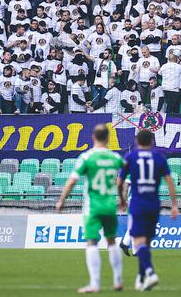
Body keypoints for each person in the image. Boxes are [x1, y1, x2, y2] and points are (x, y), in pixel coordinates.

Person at [55, 124, 125, 293]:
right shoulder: (115, 158)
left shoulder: (86, 158)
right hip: (109, 205)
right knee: (112, 241)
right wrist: (122, 200)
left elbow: (72, 180)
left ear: (93, 137)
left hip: (92, 207)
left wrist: (61, 200)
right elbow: (120, 181)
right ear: (108, 138)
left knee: (92, 242)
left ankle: (95, 283)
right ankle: (117, 280)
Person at [118, 129, 178, 291]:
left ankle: (150, 273)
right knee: (146, 244)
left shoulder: (130, 157)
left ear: (137, 142)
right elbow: (170, 182)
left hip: (137, 203)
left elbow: (120, 182)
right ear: (152, 142)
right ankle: (141, 278)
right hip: (153, 203)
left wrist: (122, 200)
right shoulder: (159, 158)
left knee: (138, 243)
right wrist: (174, 205)